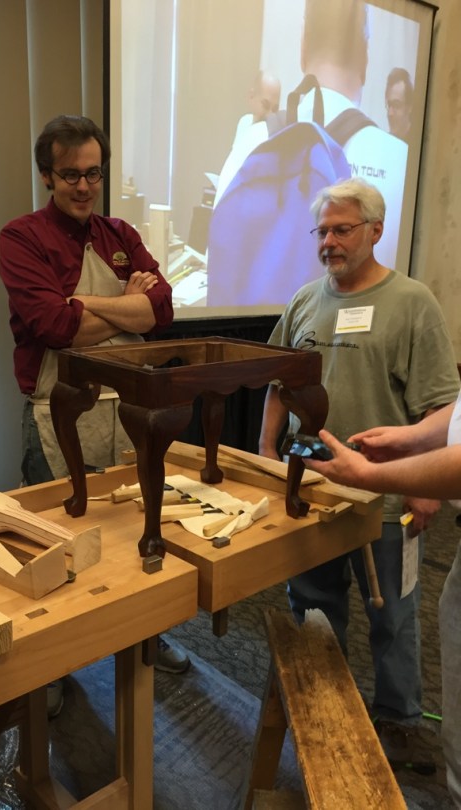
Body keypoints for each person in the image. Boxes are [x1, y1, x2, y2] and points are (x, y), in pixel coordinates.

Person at [258, 177, 460, 774]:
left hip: (391, 493)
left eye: (341, 229)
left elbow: (443, 410)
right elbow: (279, 380)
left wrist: (422, 488)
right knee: (314, 606)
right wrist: (266, 447)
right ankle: (321, 701)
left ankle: (398, 720)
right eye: (321, 231)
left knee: (394, 613)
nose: (329, 242)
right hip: (314, 488)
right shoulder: (302, 300)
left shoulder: (414, 302)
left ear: (375, 230)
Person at [0, 115, 190, 698]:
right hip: (60, 409)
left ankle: (147, 635)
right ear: (45, 176)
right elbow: (53, 327)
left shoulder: (121, 233)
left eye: (93, 174)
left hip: (127, 407)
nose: (83, 186)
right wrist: (119, 304)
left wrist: (85, 304)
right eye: (69, 175)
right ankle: (49, 669)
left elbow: (163, 312)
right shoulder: (21, 238)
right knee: (53, 539)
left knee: (135, 521)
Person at [303, 395, 461, 807]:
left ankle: (400, 719)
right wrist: (415, 437)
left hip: (388, 508)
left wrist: (373, 476)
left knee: (395, 614)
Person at [209, 0, 407, 302]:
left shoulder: (250, 141)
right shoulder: (400, 159)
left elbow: (218, 264)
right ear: (365, 58)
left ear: (303, 48)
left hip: (256, 342)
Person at [386, 67, 413, 143]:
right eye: (389, 105)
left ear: (409, 108)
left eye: (396, 105)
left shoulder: (417, 142)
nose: (390, 113)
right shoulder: (386, 143)